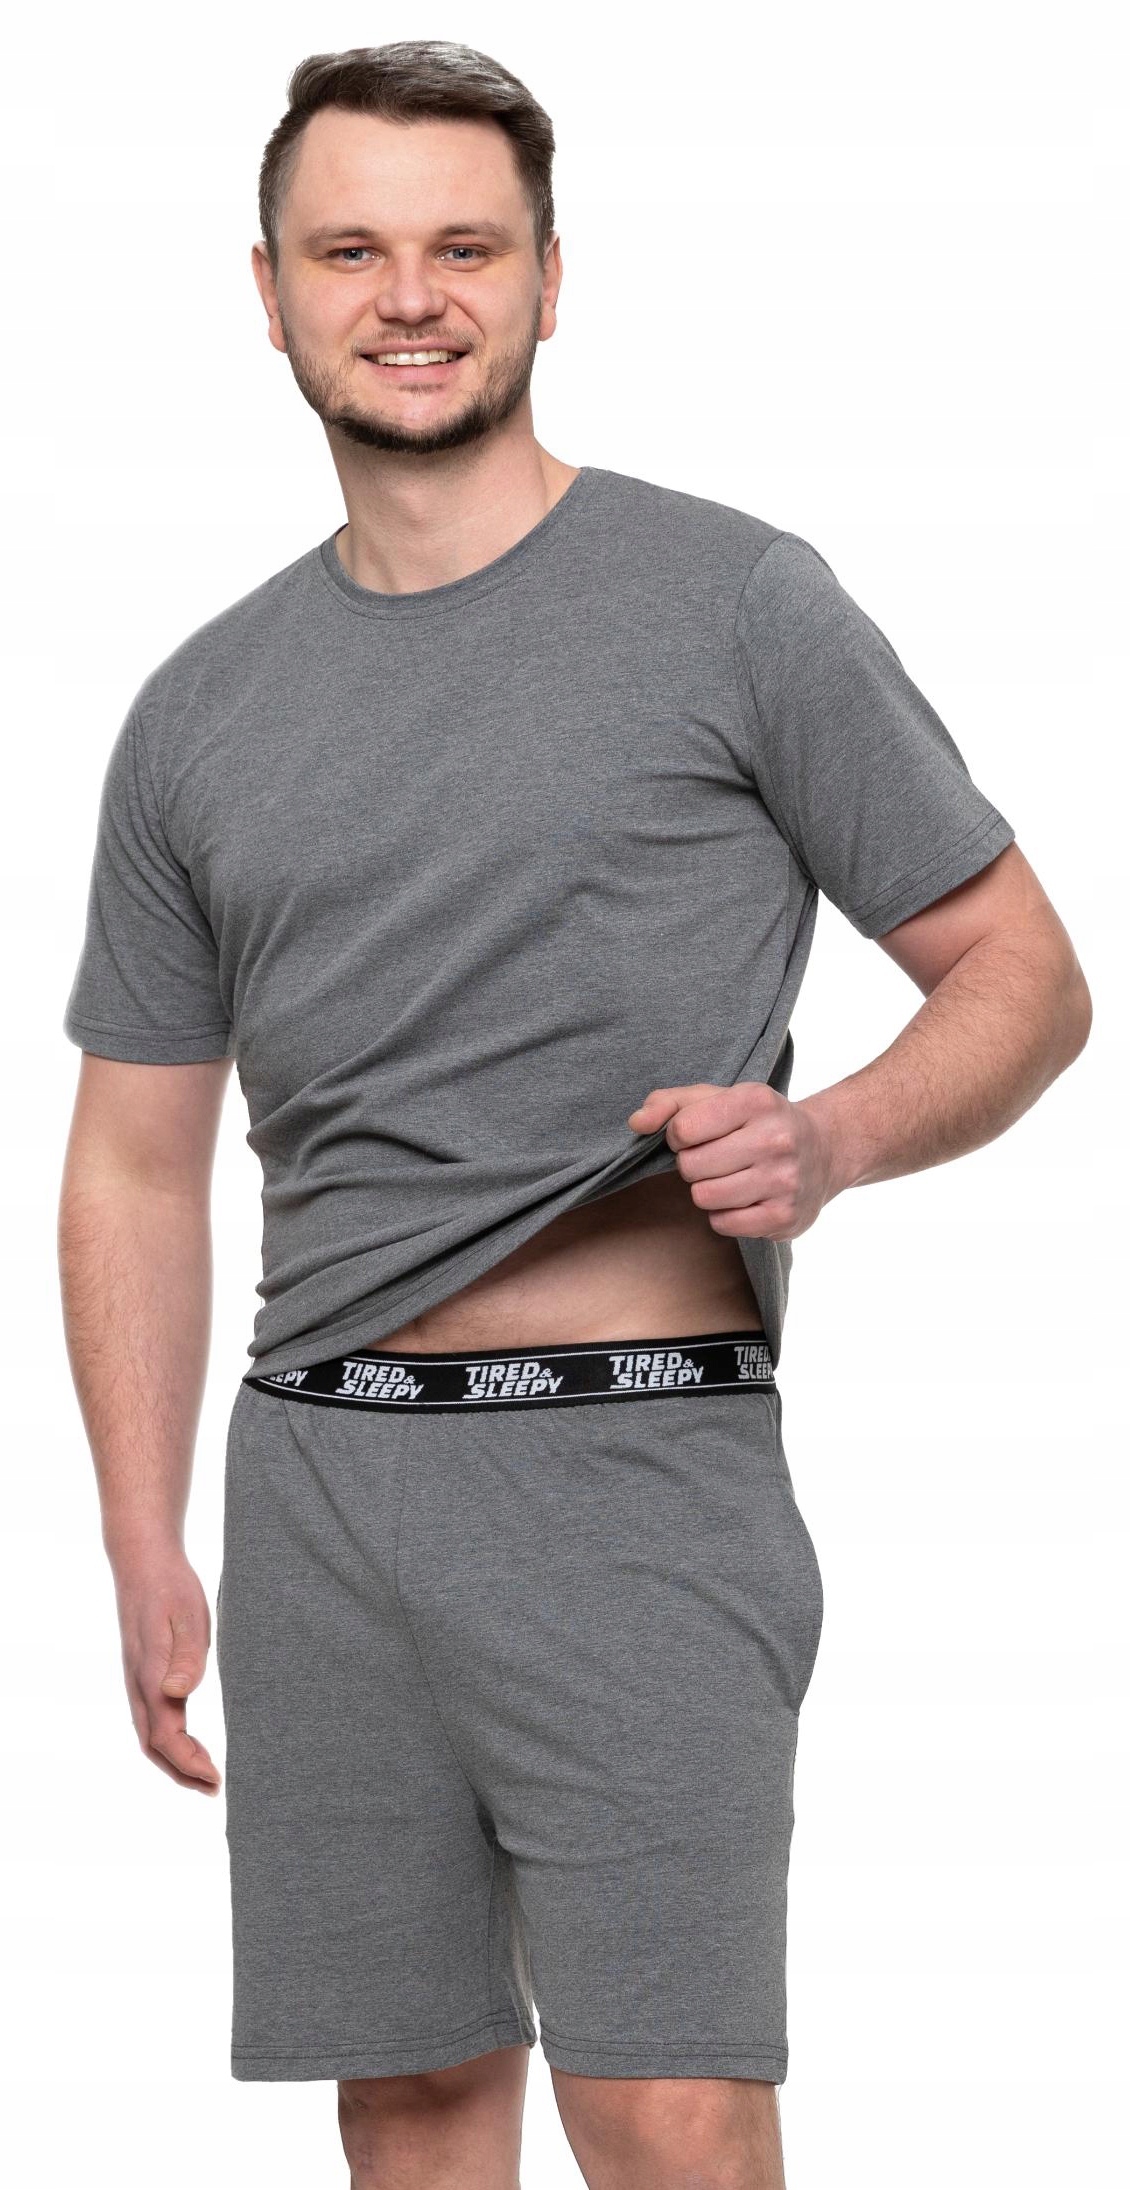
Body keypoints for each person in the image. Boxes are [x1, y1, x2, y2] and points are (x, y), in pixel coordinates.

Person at [57, 38, 1091, 2190]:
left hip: (635, 1468)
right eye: (349, 249)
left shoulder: (736, 603)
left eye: (464, 246)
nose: (407, 296)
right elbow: (136, 1155)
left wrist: (833, 1140)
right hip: (320, 1486)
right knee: (412, 2110)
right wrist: (144, 1534)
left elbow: (1023, 972)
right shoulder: (195, 711)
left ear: (549, 279)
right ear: (267, 291)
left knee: (671, 2110)